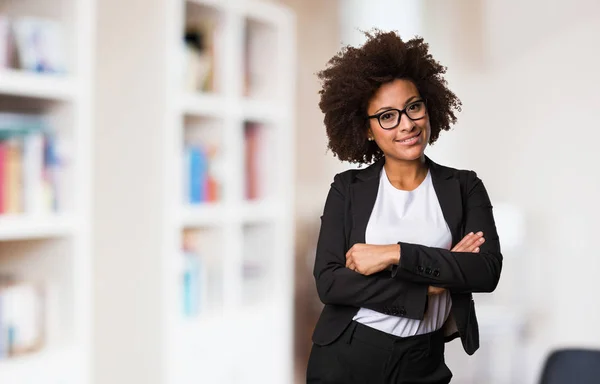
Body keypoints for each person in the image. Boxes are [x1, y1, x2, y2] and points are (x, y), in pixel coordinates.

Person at [306, 30, 503, 384]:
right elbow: (331, 282)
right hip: (349, 353)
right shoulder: (347, 190)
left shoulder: (464, 186)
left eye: (413, 106)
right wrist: (429, 285)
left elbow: (485, 271)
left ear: (428, 105)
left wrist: (394, 254)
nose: (407, 124)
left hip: (424, 358)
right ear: (366, 130)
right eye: (386, 116)